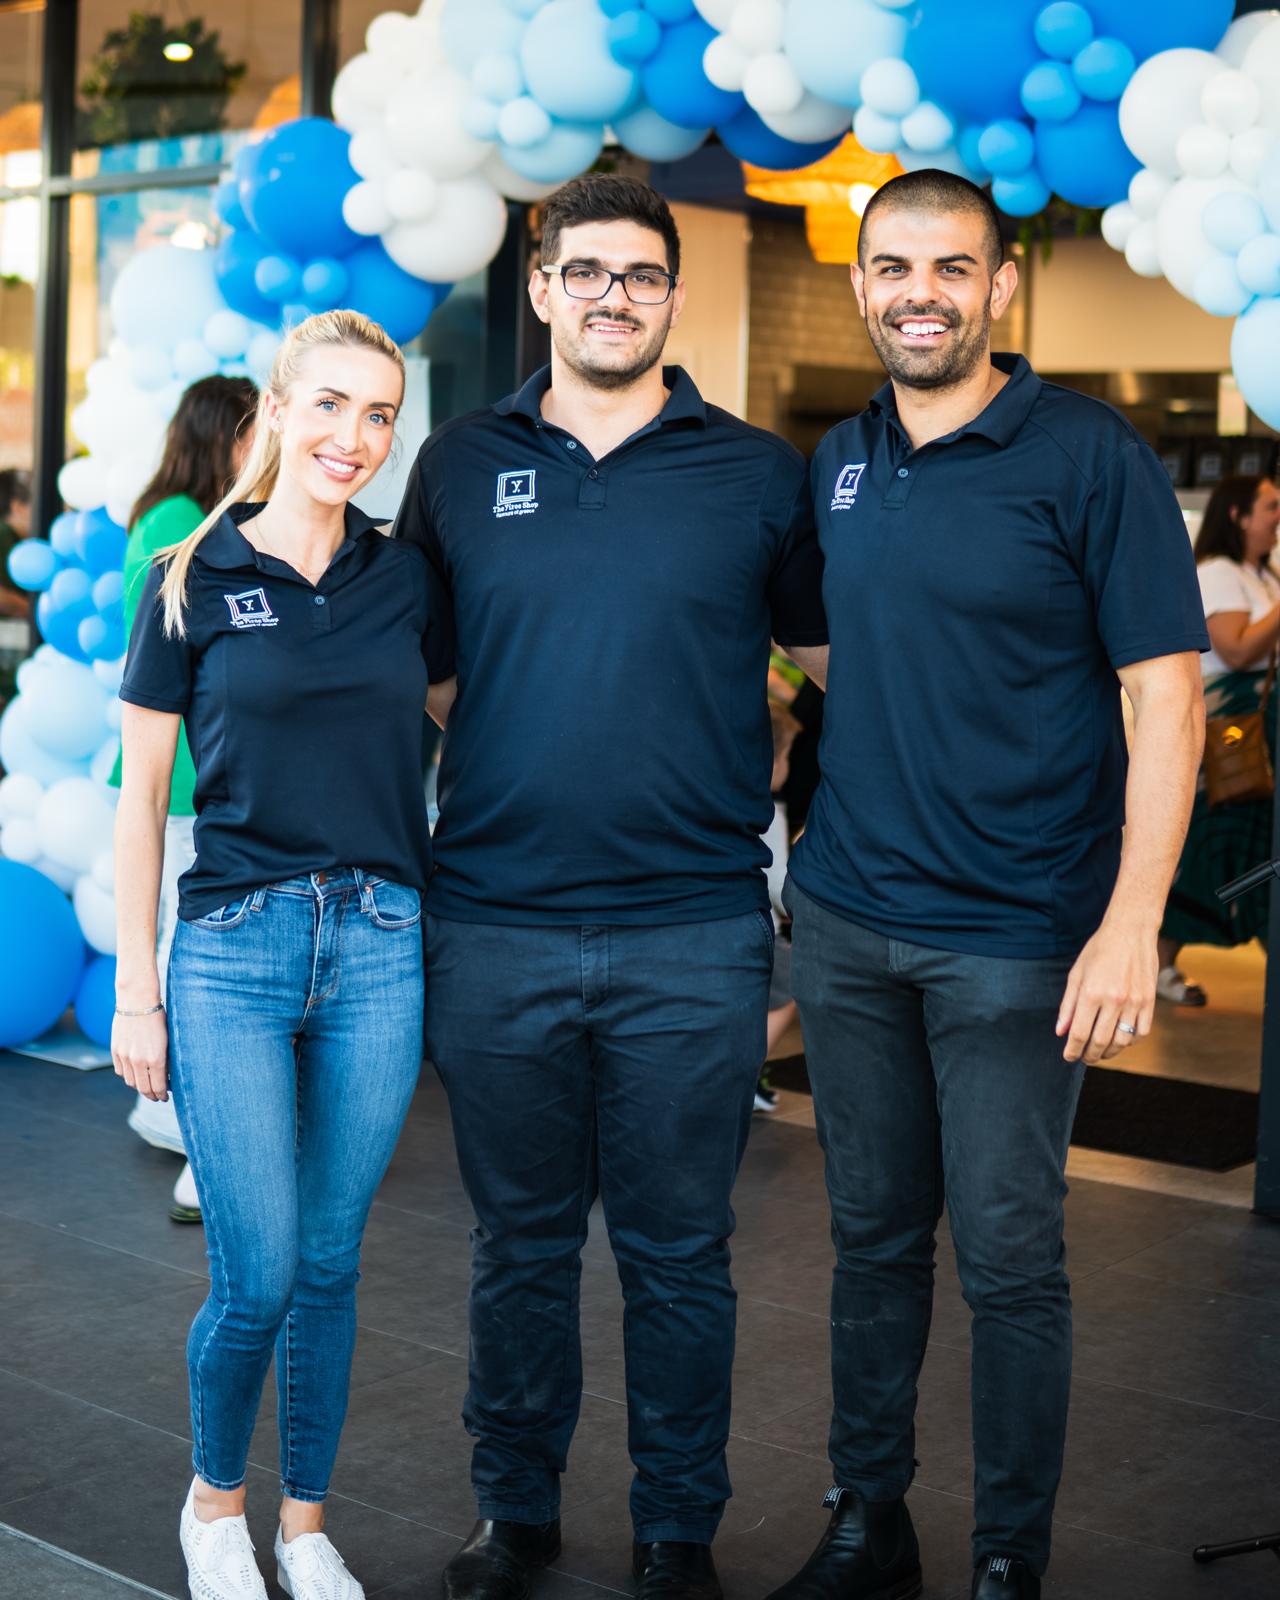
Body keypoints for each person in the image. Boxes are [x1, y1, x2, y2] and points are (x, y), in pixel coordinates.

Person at [770, 170, 1207, 1600]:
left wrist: (1132, 921)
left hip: (1019, 940)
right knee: (872, 1242)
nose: (920, 293)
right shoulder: (840, 457)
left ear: (1001, 285)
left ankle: (1008, 1556)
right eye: (893, 266)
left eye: (951, 269)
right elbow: (849, 653)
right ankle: (866, 1522)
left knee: (1013, 1262)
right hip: (845, 922)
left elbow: (1165, 697)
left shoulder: (1090, 456)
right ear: (860, 282)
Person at [393, 173, 828, 1600]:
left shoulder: (760, 473)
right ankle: (513, 1512)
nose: (613, 297)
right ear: (540, 287)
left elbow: (832, 671)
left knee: (679, 1256)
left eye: (640, 275)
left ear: (673, 295)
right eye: (586, 273)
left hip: (693, 935)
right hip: (498, 925)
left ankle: (674, 1531)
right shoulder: (458, 465)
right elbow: (436, 674)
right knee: (518, 1248)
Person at [111, 310, 449, 1600]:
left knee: (328, 1264)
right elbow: (143, 799)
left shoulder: (404, 580)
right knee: (252, 1270)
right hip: (232, 953)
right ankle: (215, 1505)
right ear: (276, 410)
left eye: (378, 415)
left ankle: (304, 1528)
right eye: (329, 407)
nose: (352, 438)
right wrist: (137, 990)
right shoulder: (186, 574)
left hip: (377, 947)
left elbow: (471, 729)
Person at [112, 374, 258, 1222]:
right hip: (183, 789)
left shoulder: (166, 512)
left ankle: (170, 1121)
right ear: (224, 437)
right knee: (185, 963)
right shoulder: (180, 524)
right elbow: (168, 670)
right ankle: (199, 1154)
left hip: (187, 785)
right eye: (252, 434)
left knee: (178, 952)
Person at [1158, 474, 1280, 1002]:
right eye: (1271, 506)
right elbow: (1235, 650)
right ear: (1238, 515)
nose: (1278, 516)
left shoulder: (1261, 575)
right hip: (1235, 739)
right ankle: (1161, 960)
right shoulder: (1221, 574)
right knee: (1215, 847)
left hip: (1256, 742)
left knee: (1248, 852)